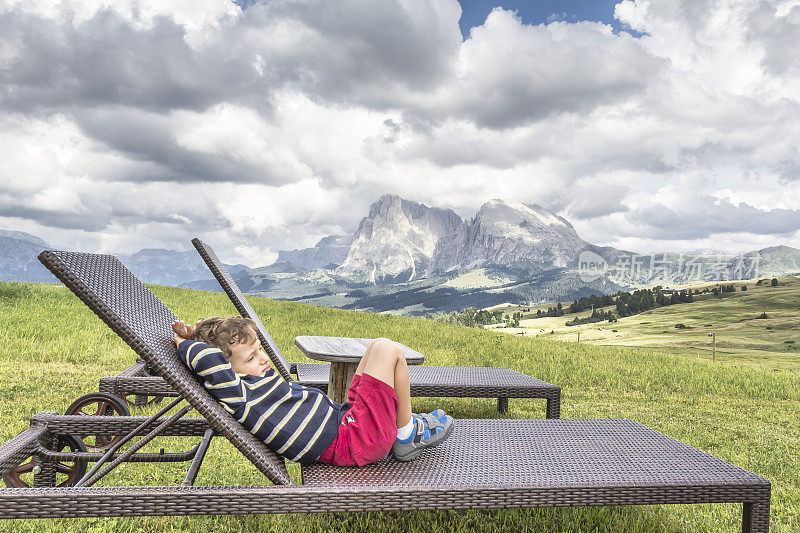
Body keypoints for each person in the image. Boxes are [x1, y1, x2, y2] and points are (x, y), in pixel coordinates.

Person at [171, 316, 453, 466]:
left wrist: (199, 336)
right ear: (226, 370)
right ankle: (406, 433)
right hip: (356, 440)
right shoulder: (238, 393)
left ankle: (399, 425)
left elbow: (214, 361)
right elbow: (209, 363)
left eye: (259, 351)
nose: (263, 359)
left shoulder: (247, 386)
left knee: (373, 349)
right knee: (387, 349)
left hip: (349, 424)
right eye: (251, 358)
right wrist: (184, 341)